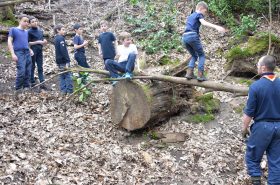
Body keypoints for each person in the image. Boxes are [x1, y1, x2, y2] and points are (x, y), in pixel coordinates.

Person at [242, 55, 280, 185]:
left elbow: (249, 113)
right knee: (276, 162)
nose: (257, 67)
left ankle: (256, 182)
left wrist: (244, 129)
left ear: (263, 68)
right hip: (279, 127)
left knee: (252, 158)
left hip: (262, 127)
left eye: (258, 65)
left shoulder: (256, 87)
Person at [182, 1, 226, 81]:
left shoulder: (190, 16)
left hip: (184, 37)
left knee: (194, 56)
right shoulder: (199, 14)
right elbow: (204, 23)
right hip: (192, 36)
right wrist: (216, 27)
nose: (204, 14)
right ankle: (200, 75)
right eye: (205, 12)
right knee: (201, 55)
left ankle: (189, 73)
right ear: (201, 8)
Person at [8, 14, 34, 91]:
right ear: (20, 21)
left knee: (28, 70)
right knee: (21, 71)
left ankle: (26, 87)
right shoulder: (13, 29)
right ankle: (18, 89)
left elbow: (25, 42)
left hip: (27, 52)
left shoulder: (26, 32)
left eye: (27, 22)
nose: (26, 23)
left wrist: (30, 50)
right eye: (24, 21)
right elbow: (9, 41)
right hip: (19, 52)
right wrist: (12, 54)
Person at [28, 16, 48, 89]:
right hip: (32, 50)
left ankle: (42, 82)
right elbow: (27, 43)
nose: (35, 23)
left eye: (35, 21)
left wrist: (44, 42)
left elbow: (42, 41)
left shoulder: (40, 31)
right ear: (29, 24)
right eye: (33, 22)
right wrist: (37, 42)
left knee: (40, 66)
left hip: (40, 50)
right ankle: (32, 82)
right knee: (32, 66)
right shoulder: (29, 32)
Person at [54, 24, 73, 95]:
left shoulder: (55, 38)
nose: (64, 31)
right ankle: (70, 91)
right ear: (58, 30)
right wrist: (67, 60)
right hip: (63, 60)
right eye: (63, 29)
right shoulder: (60, 38)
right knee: (68, 75)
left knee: (62, 75)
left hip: (58, 60)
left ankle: (63, 90)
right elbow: (63, 50)